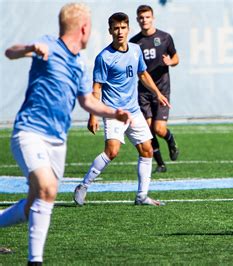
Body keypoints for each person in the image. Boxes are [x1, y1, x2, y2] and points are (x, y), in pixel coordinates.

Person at [0, 3, 132, 265]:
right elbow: (9, 52)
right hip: (29, 132)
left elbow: (87, 101)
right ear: (83, 28)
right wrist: (29, 48)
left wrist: (112, 112)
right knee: (47, 189)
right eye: (90, 27)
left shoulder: (80, 63)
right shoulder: (47, 44)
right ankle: (34, 260)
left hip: (58, 141)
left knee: (33, 204)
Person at [73, 12, 170, 207]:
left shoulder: (135, 50)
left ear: (128, 29)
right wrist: (93, 116)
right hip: (113, 112)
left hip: (133, 111)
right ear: (110, 30)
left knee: (147, 150)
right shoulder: (104, 57)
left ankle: (142, 196)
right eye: (116, 28)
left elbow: (142, 74)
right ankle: (83, 185)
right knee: (112, 151)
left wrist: (158, 93)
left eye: (123, 28)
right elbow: (97, 89)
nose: (119, 32)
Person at [130, 5, 180, 173]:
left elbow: (176, 58)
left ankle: (170, 139)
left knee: (159, 129)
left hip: (162, 89)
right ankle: (160, 164)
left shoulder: (165, 38)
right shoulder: (134, 43)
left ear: (153, 18)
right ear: (137, 20)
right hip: (144, 91)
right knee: (147, 130)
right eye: (141, 18)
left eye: (147, 17)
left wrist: (170, 62)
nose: (144, 20)